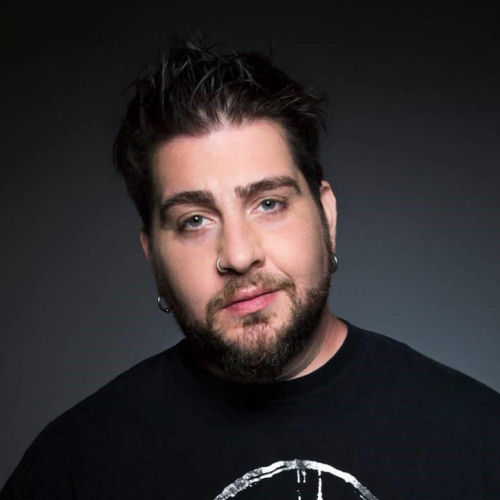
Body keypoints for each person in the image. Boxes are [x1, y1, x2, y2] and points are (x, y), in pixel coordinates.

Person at [1, 36, 499, 499]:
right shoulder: (74, 467)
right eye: (195, 220)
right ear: (153, 256)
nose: (238, 256)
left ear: (326, 216)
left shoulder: (478, 438)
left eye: (268, 203)